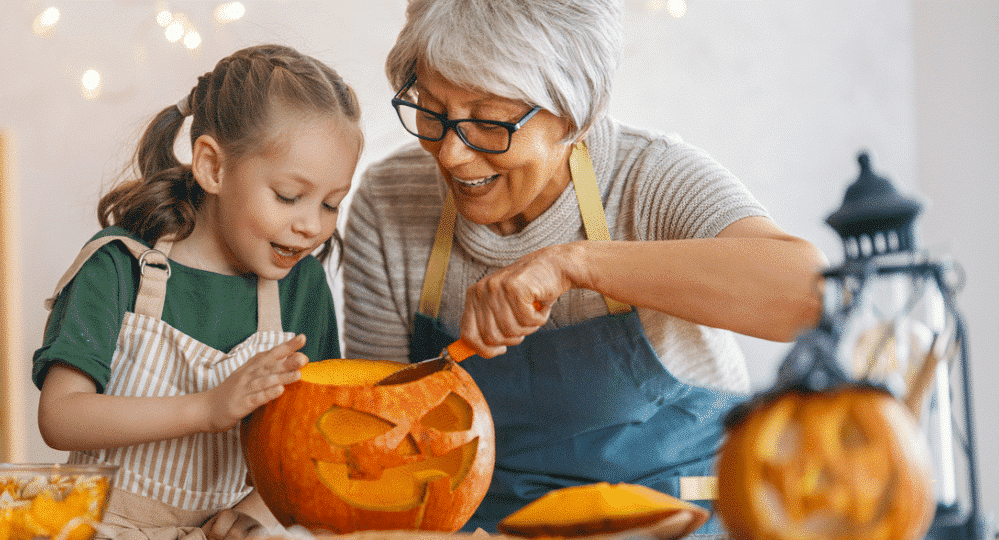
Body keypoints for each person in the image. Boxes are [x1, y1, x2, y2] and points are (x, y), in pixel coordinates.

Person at [343, 0, 826, 535]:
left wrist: (574, 263)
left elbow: (805, 296)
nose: (452, 154)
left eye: (487, 122)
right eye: (431, 112)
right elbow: (382, 434)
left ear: (575, 116)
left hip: (682, 522)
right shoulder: (389, 199)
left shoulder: (650, 178)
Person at [33, 44, 362, 540]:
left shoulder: (302, 288)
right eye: (289, 197)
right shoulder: (119, 266)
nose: (311, 226)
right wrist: (207, 408)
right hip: (99, 525)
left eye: (332, 204)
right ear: (213, 166)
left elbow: (318, 440)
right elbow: (60, 417)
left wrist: (256, 511)